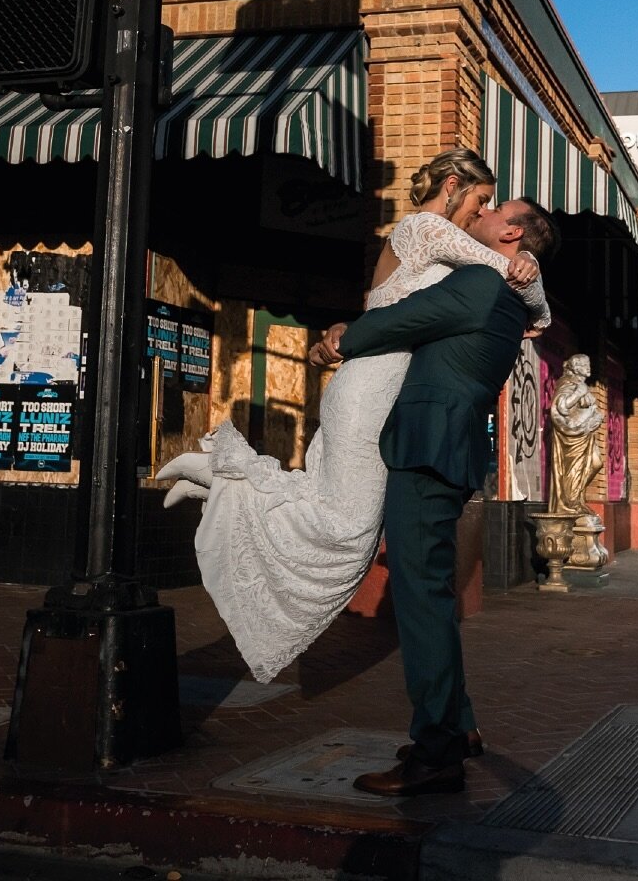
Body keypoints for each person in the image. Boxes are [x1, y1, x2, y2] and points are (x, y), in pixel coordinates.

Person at [157, 150, 551, 684]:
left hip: (376, 385)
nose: (480, 212)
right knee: (349, 527)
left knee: (336, 510)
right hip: (371, 387)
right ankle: (222, 474)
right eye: (481, 200)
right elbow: (511, 280)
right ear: (453, 185)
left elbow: (489, 299)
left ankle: (222, 479)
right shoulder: (428, 229)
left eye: (489, 206)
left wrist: (529, 282)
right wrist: (527, 275)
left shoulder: (440, 243)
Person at [310, 197, 561, 797]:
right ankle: (461, 726)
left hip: (426, 450)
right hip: (451, 450)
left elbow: (394, 322)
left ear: (510, 231)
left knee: (420, 603)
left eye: (495, 208)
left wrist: (338, 339)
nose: (481, 213)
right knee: (434, 598)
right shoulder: (505, 297)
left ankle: (436, 753)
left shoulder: (478, 283)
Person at [547, 353, 603, 516]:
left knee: (595, 463)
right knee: (574, 469)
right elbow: (560, 407)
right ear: (577, 367)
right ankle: (570, 502)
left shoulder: (580, 384)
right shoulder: (568, 383)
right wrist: (579, 393)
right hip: (571, 436)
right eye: (585, 364)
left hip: (584, 433)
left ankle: (576, 499)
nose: (589, 367)